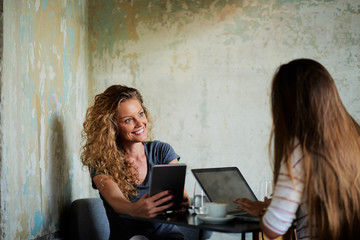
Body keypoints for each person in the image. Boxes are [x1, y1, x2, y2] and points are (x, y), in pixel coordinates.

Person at [234, 59, 360, 240]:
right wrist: (273, 206)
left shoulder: (300, 149)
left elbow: (273, 228)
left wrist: (265, 212)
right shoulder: (354, 137)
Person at [81, 85, 191, 240]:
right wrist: (134, 209)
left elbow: (182, 196)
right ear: (112, 127)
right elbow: (116, 200)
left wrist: (184, 203)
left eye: (140, 114)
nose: (140, 124)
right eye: (128, 120)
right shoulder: (101, 161)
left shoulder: (162, 151)